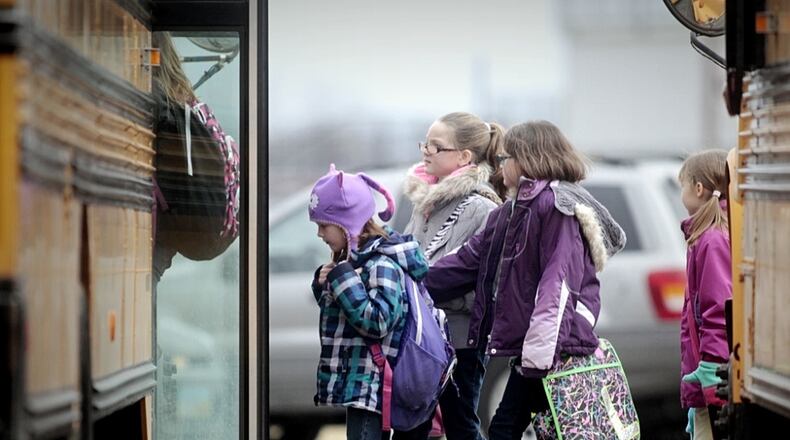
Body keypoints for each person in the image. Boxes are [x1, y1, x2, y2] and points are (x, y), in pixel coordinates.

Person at [423, 121, 626, 440]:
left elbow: (557, 284)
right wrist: (412, 282)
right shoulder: (510, 213)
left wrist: (539, 357)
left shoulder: (557, 207)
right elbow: (466, 262)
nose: (499, 166)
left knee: (508, 428)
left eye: (505, 159)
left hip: (558, 351)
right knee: (528, 430)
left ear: (527, 159)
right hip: (536, 351)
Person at [308, 164, 433, 440]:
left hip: (373, 386)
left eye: (323, 225)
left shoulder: (381, 264)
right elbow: (344, 316)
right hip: (360, 383)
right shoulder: (355, 262)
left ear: (347, 223)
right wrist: (324, 284)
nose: (319, 234)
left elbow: (377, 321)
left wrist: (343, 281)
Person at [402, 112, 504, 439]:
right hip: (419, 337)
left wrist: (413, 280)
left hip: (459, 339)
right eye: (425, 144)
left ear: (464, 157)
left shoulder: (481, 208)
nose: (426, 151)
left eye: (437, 146)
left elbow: (467, 276)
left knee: (461, 425)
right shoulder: (424, 203)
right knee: (411, 425)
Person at [677, 150, 731, 440]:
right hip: (705, 378)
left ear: (698, 188)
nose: (681, 194)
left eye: (683, 185)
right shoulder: (708, 235)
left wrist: (710, 371)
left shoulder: (711, 239)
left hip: (712, 377)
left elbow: (718, 308)